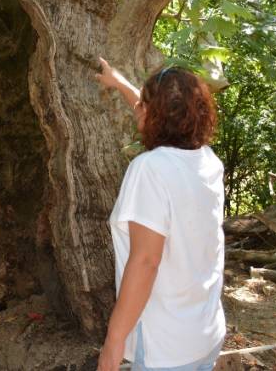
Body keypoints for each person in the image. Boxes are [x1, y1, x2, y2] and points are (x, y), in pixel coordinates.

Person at [94, 58, 225, 371]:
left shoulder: (150, 170)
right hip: (204, 334)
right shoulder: (207, 162)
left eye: (143, 104)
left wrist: (113, 343)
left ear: (153, 114)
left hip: (167, 349)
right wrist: (117, 81)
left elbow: (145, 262)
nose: (137, 108)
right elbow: (157, 110)